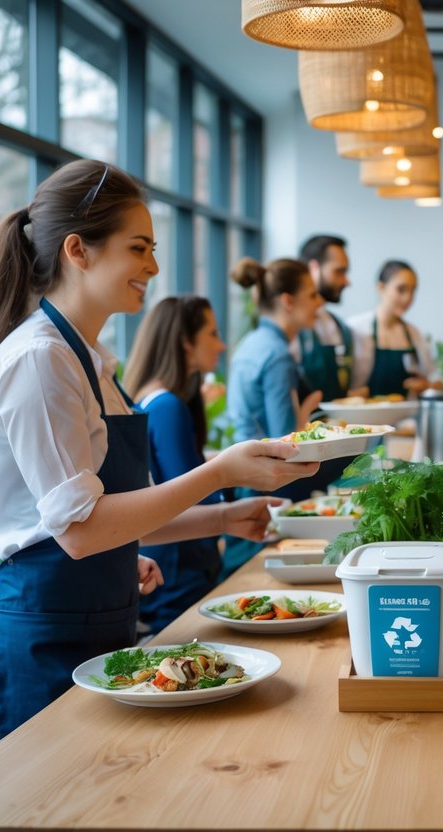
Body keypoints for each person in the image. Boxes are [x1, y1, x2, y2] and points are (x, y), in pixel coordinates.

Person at [0, 160, 318, 742]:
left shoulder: (93, 363)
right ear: (78, 250)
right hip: (36, 646)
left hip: (96, 629)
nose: (153, 267)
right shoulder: (39, 361)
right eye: (138, 248)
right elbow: (80, 533)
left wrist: (227, 514)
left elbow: (116, 516)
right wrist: (219, 472)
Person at [123, 295, 226, 634]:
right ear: (185, 341)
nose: (221, 345)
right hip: (180, 574)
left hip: (166, 567)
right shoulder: (169, 407)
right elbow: (193, 494)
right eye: (212, 333)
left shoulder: (150, 399)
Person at [223, 256, 324, 580]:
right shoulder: (278, 355)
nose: (319, 303)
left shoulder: (250, 345)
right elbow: (284, 441)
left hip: (240, 480)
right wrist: (306, 417)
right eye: (312, 295)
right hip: (267, 489)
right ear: (287, 301)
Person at [347, 260, 437, 397]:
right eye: (401, 289)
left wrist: (426, 385)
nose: (408, 298)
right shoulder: (356, 328)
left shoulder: (414, 334)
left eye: (413, 290)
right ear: (381, 288)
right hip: (364, 415)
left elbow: (432, 377)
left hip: (406, 416)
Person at [295, 234, 357, 402]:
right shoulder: (292, 329)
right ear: (313, 268)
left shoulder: (339, 327)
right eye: (339, 272)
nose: (346, 281)